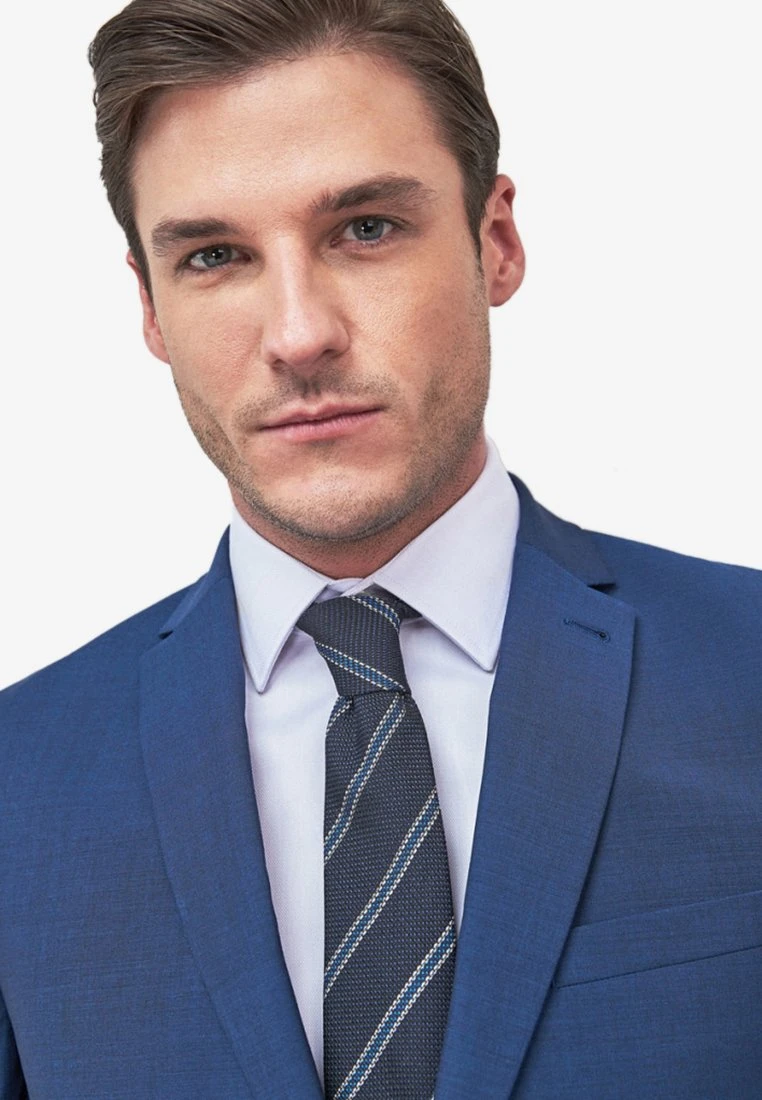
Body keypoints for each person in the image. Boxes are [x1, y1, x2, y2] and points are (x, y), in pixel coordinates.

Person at [1, 0, 760, 1096]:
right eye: (215, 255)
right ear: (152, 309)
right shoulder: (19, 779)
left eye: (365, 229)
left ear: (496, 242)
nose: (299, 334)